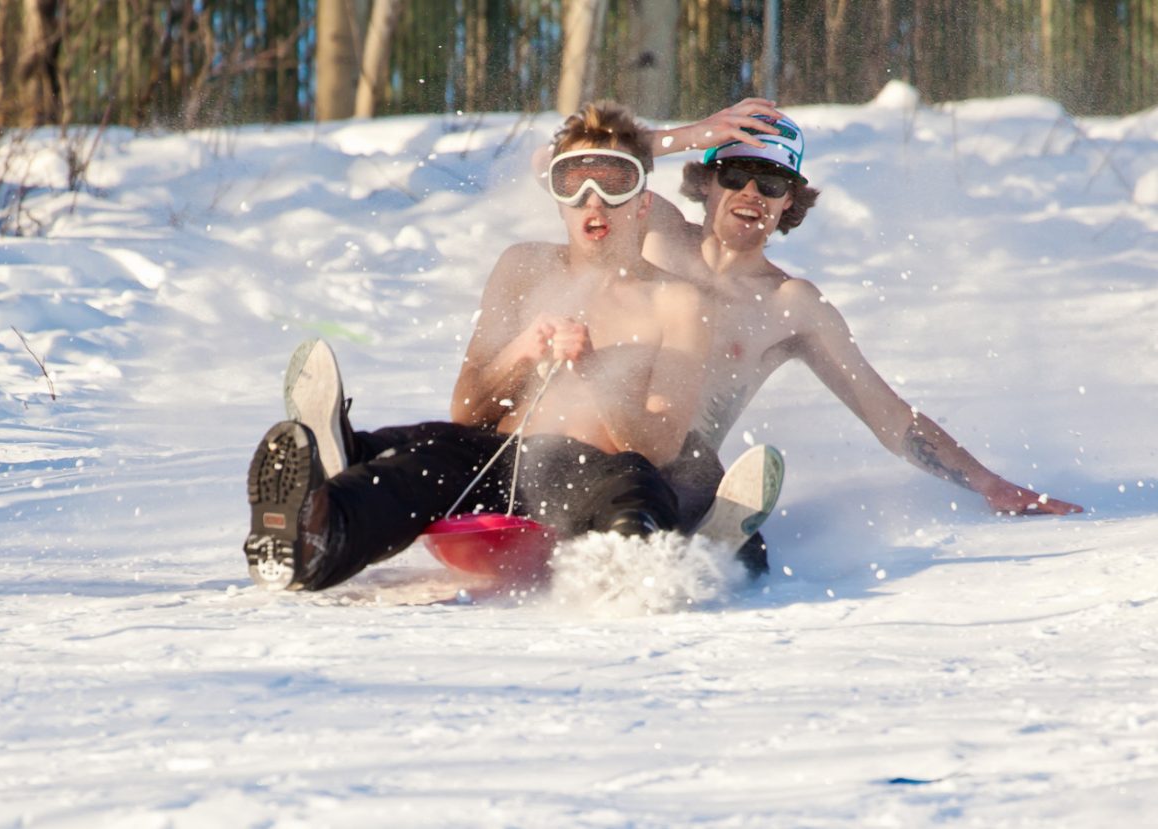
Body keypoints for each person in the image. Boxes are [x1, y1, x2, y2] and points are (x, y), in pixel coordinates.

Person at [242, 101, 715, 592]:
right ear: (558, 202)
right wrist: (521, 351)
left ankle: (632, 570)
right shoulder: (523, 268)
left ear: (642, 202)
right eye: (573, 183)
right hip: (499, 462)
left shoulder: (677, 302)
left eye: (613, 182)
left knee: (637, 482)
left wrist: (594, 370)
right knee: (427, 455)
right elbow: (468, 412)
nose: (592, 201)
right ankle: (315, 531)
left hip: (593, 478)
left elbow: (658, 446)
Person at [639, 100, 1084, 520]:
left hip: (680, 470)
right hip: (604, 435)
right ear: (705, 181)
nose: (752, 194)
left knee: (691, 486)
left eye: (771, 184)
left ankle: (686, 536)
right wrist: (688, 136)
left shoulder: (790, 305)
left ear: (788, 200)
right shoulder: (650, 228)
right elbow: (597, 159)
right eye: (736, 176)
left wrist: (990, 484)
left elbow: (889, 416)